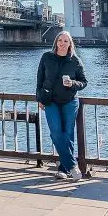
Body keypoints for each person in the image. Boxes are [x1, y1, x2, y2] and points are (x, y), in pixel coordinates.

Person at [36, 30, 87, 181]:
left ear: (70, 44)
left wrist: (72, 83)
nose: (62, 43)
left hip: (70, 101)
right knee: (56, 132)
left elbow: (84, 82)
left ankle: (63, 169)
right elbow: (39, 79)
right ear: (56, 42)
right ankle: (72, 165)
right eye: (60, 40)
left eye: (66, 41)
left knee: (68, 134)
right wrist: (39, 98)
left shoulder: (75, 61)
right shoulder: (47, 57)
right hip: (50, 101)